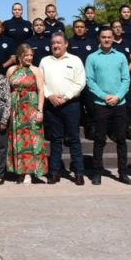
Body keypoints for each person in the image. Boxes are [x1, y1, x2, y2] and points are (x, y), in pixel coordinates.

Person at [85, 27, 131, 185]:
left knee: (121, 140)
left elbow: (126, 79)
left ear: (113, 38)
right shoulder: (92, 58)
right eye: (103, 37)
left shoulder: (121, 57)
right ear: (99, 38)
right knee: (99, 140)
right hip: (101, 104)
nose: (106, 39)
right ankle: (97, 172)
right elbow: (90, 81)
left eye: (109, 37)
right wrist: (104, 97)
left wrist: (118, 96)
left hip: (119, 103)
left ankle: (123, 172)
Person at [40, 33, 87, 185]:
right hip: (52, 105)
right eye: (53, 42)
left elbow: (80, 82)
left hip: (71, 104)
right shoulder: (45, 61)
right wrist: (50, 96)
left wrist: (66, 97)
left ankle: (79, 173)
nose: (56, 45)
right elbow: (41, 82)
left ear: (66, 44)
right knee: (55, 140)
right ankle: (54, 172)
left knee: (74, 139)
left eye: (59, 42)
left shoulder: (75, 60)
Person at [6, 44, 47, 183]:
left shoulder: (36, 70)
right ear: (19, 56)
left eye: (31, 55)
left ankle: (30, 172)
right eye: (26, 55)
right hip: (16, 109)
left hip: (31, 107)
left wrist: (40, 110)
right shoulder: (11, 70)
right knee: (18, 141)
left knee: (32, 140)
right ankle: (20, 171)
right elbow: (7, 90)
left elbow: (41, 90)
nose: (29, 58)